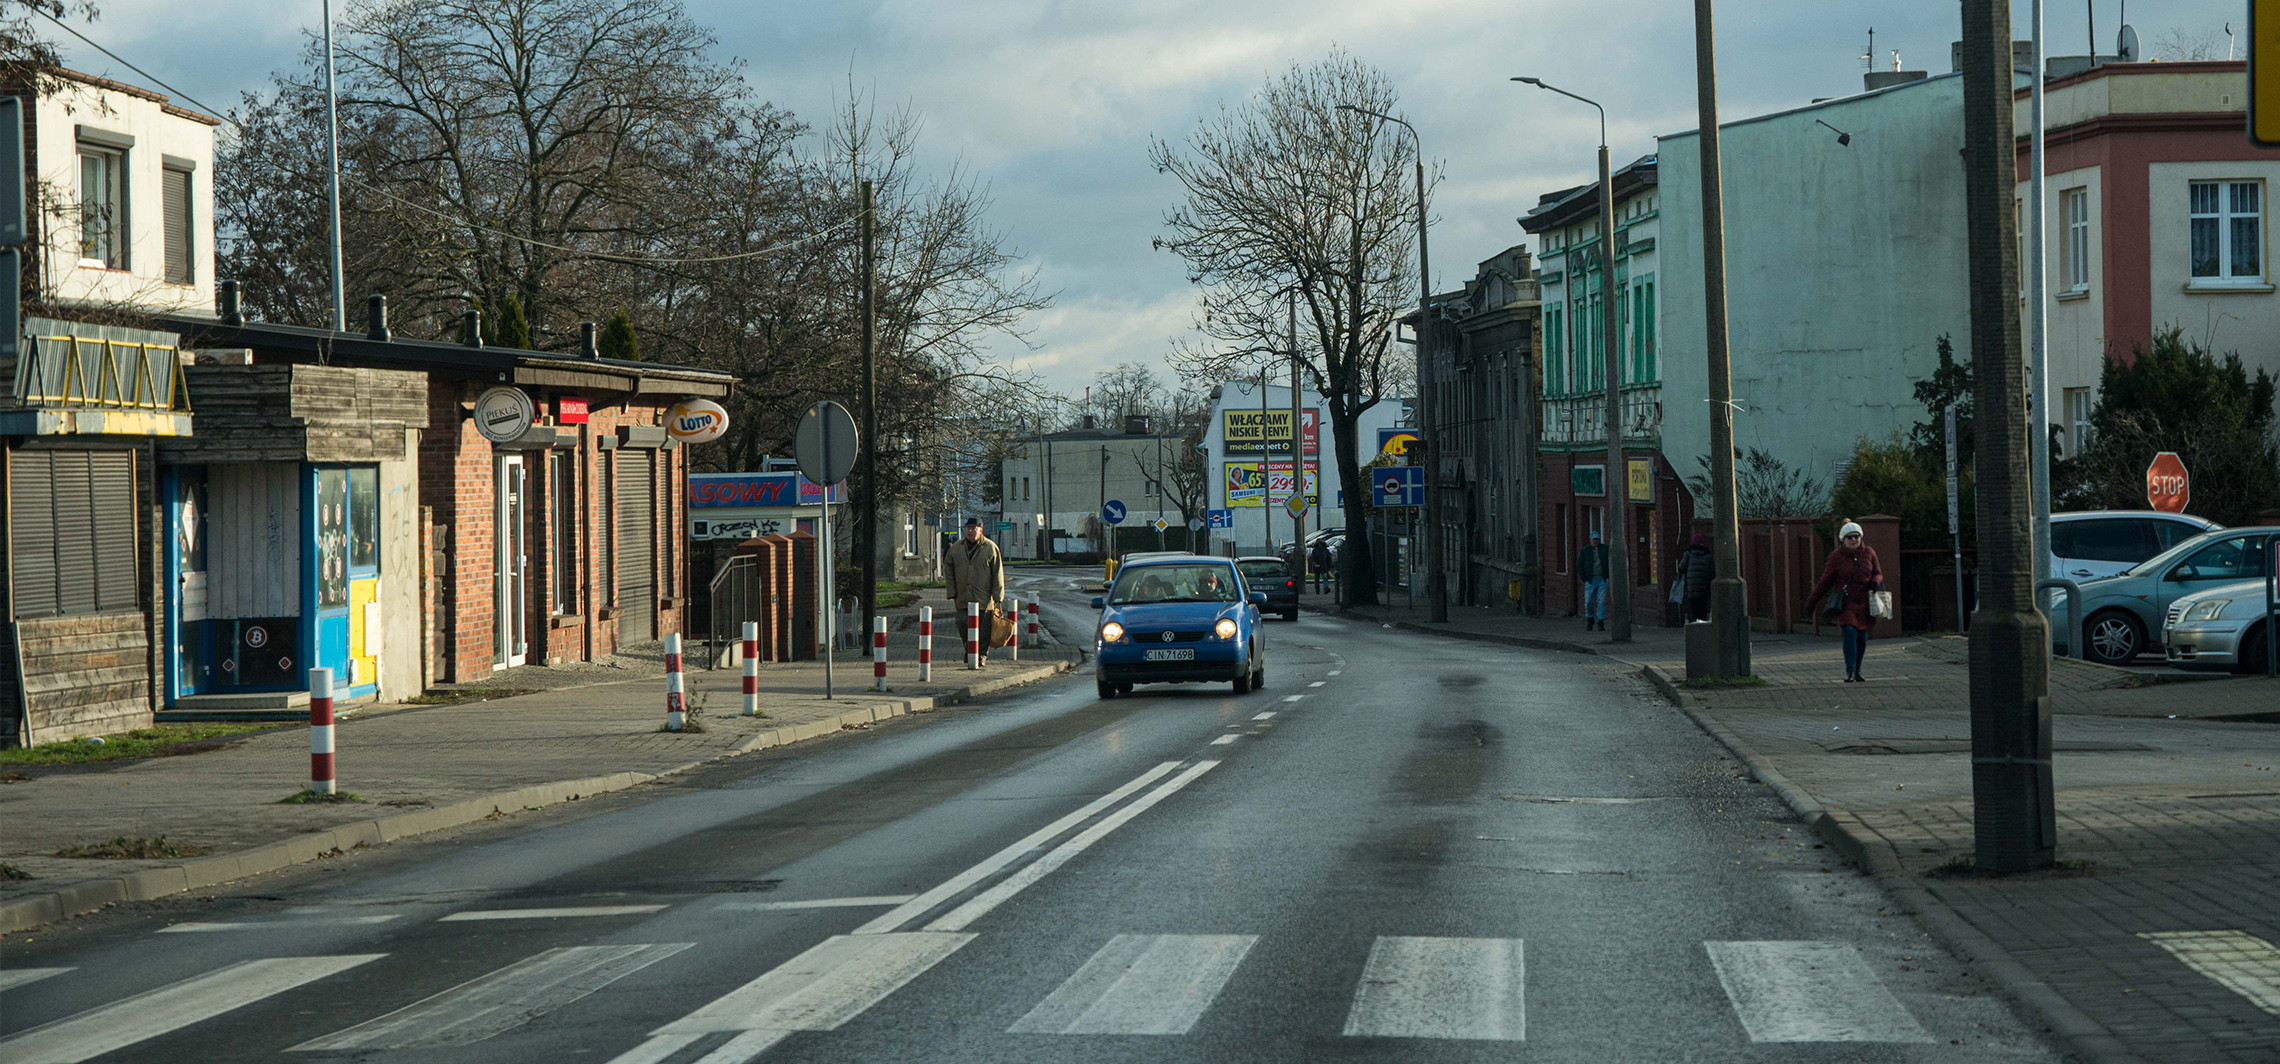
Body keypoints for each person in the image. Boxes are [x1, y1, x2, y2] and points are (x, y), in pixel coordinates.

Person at [1803, 520, 1887, 683]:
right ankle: (1850, 670)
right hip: (1847, 602)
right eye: (1850, 537)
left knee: (1862, 636)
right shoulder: (1836, 557)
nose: (1854, 540)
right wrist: (1811, 603)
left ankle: (1858, 670)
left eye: (1856, 536)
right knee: (1849, 631)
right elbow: (1825, 581)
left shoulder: (1869, 553)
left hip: (1865, 602)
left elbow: (1878, 573)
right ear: (1843, 539)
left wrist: (1875, 581)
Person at [943, 517, 1005, 648]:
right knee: (961, 622)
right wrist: (952, 591)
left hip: (983, 597)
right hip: (962, 596)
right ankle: (969, 649)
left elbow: (997, 574)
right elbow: (948, 569)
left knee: (983, 629)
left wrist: (998, 597)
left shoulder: (990, 548)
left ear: (981, 530)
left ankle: (981, 654)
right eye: (968, 528)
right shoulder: (956, 548)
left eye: (973, 528)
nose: (970, 531)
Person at [1674, 533, 1714, 623]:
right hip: (1704, 588)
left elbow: (1681, 568)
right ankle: (1703, 624)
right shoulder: (1708, 555)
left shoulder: (1688, 554)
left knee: (1693, 607)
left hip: (1691, 587)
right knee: (1703, 607)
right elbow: (1712, 572)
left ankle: (1695, 625)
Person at [1576, 532, 1609, 631]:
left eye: (1597, 539)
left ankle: (1600, 621)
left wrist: (1607, 576)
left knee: (1601, 601)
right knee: (1589, 601)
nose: (1595, 541)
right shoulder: (1585, 551)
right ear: (1590, 540)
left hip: (1602, 578)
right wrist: (1584, 578)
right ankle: (1590, 618)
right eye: (1593, 539)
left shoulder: (1605, 549)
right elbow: (1579, 565)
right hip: (1591, 580)